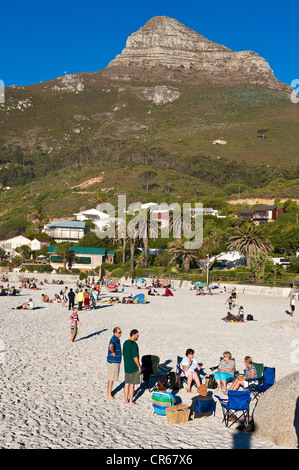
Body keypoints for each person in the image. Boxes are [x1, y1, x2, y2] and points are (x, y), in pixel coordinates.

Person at [123, 329, 142, 405]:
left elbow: (124, 354)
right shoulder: (133, 344)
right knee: (132, 384)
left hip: (127, 366)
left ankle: (126, 400)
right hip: (133, 366)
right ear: (133, 335)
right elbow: (135, 357)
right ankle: (131, 401)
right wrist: (139, 366)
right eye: (137, 335)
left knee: (126, 383)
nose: (138, 336)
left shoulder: (125, 342)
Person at [107, 327, 122, 399]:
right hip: (113, 361)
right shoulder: (114, 339)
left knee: (111, 377)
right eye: (119, 332)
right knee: (111, 378)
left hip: (114, 361)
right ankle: (109, 394)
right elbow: (111, 346)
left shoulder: (116, 339)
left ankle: (109, 393)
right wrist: (113, 352)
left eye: (120, 332)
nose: (120, 334)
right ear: (115, 333)